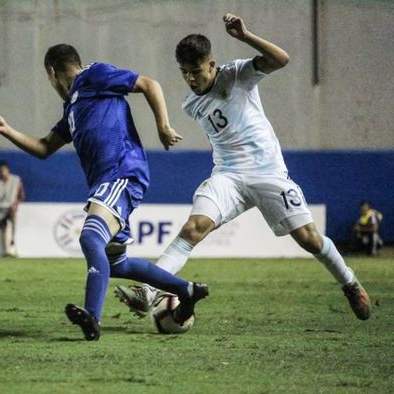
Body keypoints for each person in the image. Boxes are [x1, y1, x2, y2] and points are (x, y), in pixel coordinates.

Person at [115, 14, 370, 321]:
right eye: (184, 73)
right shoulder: (190, 104)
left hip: (268, 173)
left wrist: (245, 35)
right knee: (193, 228)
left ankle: (350, 283)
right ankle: (148, 290)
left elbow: (282, 59)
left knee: (309, 238)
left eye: (196, 71)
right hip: (228, 176)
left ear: (212, 64)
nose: (191, 79)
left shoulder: (237, 74)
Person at [0, 44, 208, 340]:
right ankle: (186, 290)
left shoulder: (94, 74)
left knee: (90, 236)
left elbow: (148, 84)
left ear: (51, 72)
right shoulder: (73, 107)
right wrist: (7, 130)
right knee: (117, 263)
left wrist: (163, 126)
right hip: (110, 182)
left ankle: (93, 317)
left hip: (122, 173)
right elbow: (43, 148)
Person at [0, 160, 25, 257]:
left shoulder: (15, 180)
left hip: (11, 207)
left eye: (4, 170)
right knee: (3, 229)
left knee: (13, 224)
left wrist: (17, 203)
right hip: (1, 208)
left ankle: (13, 246)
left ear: (8, 170)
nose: (2, 172)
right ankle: (5, 251)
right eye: (1, 171)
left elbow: (21, 194)